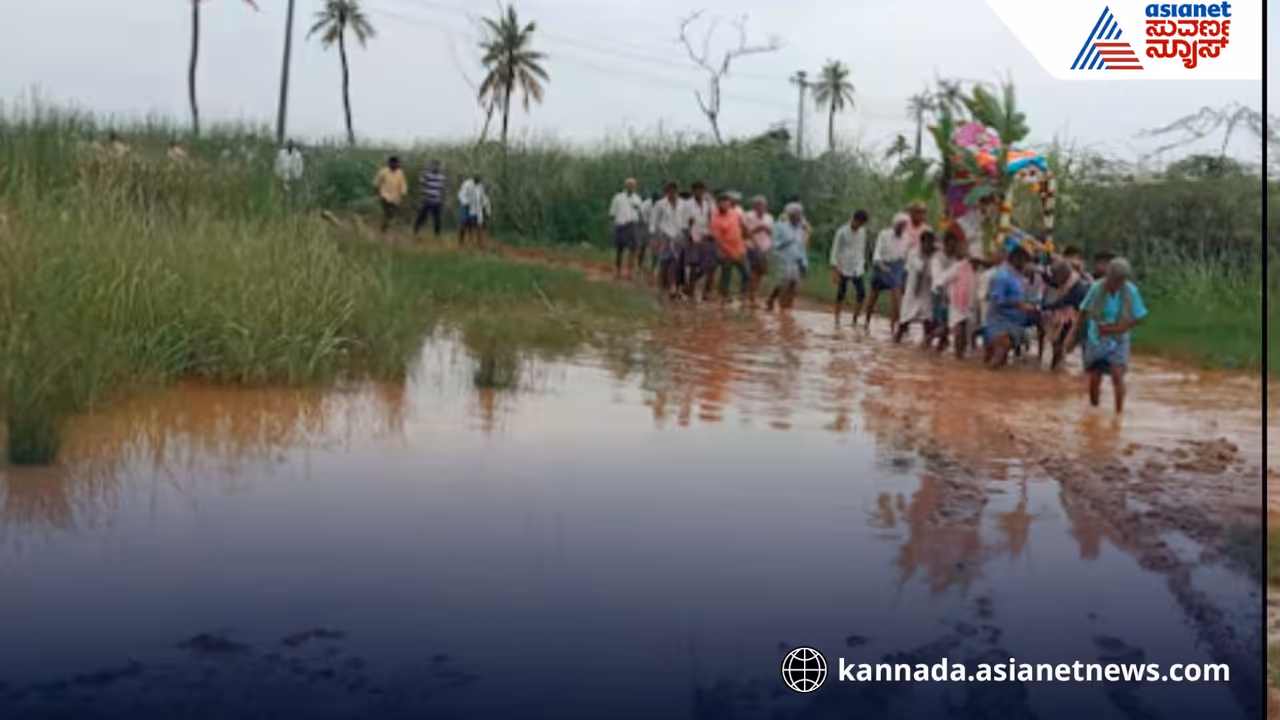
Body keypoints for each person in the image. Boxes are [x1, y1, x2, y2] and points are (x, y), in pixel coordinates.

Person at [1079, 258, 1147, 414]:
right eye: (1114, 280)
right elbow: (1083, 311)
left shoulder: (1130, 291)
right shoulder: (1096, 288)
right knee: (1095, 377)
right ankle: (1094, 409)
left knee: (1117, 375)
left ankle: (1118, 414)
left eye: (1120, 281)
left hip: (1118, 338)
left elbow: (1139, 318)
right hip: (1096, 337)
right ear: (1108, 276)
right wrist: (1072, 337)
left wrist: (1118, 328)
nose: (1116, 284)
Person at [985, 246, 1038, 368]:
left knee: (1003, 359)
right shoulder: (1001, 276)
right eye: (1026, 262)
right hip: (1000, 321)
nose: (1027, 266)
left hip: (1015, 321)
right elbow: (997, 301)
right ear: (1018, 260)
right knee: (1000, 355)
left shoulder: (1018, 276)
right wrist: (1018, 304)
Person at [1042, 258, 1089, 370]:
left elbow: (1064, 302)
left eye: (1055, 275)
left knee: (1068, 344)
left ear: (1062, 274)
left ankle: (1058, 367)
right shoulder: (1065, 282)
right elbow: (1049, 280)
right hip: (1067, 317)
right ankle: (1056, 367)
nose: (1054, 278)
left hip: (1079, 320)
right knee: (1057, 342)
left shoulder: (1078, 288)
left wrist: (1042, 307)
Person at [867, 213, 910, 331]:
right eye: (900, 225)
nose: (901, 228)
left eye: (904, 226)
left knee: (896, 296)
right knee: (873, 297)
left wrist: (906, 270)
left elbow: (906, 256)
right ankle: (867, 321)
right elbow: (877, 252)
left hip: (897, 266)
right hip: (881, 265)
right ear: (895, 224)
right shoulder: (884, 234)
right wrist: (880, 265)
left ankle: (894, 326)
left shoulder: (906, 238)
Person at [896, 231, 939, 345]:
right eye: (928, 243)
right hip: (913, 292)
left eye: (931, 243)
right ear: (922, 243)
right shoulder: (914, 253)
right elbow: (920, 269)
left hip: (926, 292)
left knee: (927, 321)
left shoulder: (935, 255)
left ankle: (926, 346)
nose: (930, 246)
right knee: (904, 322)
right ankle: (896, 342)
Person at [829, 210, 869, 325]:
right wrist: (835, 269)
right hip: (843, 265)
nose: (859, 226)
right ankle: (837, 318)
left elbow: (861, 249)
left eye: (861, 224)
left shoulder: (862, 232)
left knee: (861, 293)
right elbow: (835, 250)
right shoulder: (842, 232)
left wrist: (862, 265)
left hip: (857, 266)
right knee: (841, 292)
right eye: (858, 223)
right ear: (854, 220)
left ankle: (855, 320)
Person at [710, 191, 750, 304]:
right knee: (726, 274)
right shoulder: (715, 218)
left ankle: (743, 295)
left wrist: (747, 238)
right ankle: (723, 296)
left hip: (739, 248)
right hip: (725, 251)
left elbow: (743, 227)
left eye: (726, 202)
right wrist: (728, 252)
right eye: (722, 202)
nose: (725, 204)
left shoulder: (735, 213)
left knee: (746, 272)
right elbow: (718, 240)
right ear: (718, 204)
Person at [767, 203, 808, 312]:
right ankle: (777, 302)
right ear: (790, 215)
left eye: (800, 214)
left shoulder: (800, 230)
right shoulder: (780, 226)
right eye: (797, 214)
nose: (799, 217)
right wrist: (787, 241)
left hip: (796, 260)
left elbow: (801, 247)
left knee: (794, 283)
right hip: (783, 259)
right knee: (783, 283)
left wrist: (804, 262)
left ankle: (788, 306)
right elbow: (774, 243)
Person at [678, 181, 714, 300]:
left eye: (702, 190)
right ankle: (691, 290)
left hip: (704, 235)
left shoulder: (707, 204)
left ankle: (696, 288)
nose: (700, 192)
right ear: (693, 191)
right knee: (693, 263)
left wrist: (709, 232)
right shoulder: (687, 204)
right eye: (697, 190)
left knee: (706, 264)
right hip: (691, 235)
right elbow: (684, 221)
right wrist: (688, 232)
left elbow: (709, 220)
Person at [650, 181, 684, 296]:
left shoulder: (682, 204)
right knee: (664, 261)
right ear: (666, 191)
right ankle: (660, 285)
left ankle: (672, 285)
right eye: (670, 190)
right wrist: (654, 236)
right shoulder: (660, 204)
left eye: (674, 190)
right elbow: (654, 220)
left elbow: (684, 219)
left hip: (677, 235)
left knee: (674, 262)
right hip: (664, 234)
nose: (672, 192)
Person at [609, 178, 644, 280]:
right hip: (621, 224)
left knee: (633, 249)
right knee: (619, 249)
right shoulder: (618, 197)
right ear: (626, 186)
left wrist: (640, 226)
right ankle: (618, 269)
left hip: (632, 224)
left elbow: (641, 213)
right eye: (629, 185)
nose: (631, 187)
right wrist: (612, 226)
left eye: (633, 185)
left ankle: (630, 271)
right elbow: (612, 213)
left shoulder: (637, 199)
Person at [742, 195, 774, 307]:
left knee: (761, 273)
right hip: (752, 247)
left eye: (763, 205)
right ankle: (749, 296)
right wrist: (758, 229)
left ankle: (753, 295)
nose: (761, 208)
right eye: (759, 205)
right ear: (754, 206)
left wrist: (767, 230)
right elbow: (744, 233)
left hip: (765, 248)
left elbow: (772, 234)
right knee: (752, 273)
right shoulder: (748, 216)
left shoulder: (769, 218)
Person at [373, 156, 408, 233]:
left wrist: (403, 193)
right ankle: (383, 229)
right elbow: (376, 183)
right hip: (384, 196)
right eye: (394, 164)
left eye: (397, 164)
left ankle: (384, 227)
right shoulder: (383, 172)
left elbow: (403, 184)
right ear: (390, 164)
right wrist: (378, 194)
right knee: (389, 213)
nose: (396, 165)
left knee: (391, 215)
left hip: (396, 197)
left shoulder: (400, 172)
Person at [414, 160, 447, 238]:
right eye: (434, 166)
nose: (436, 168)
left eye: (437, 166)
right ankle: (416, 230)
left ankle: (437, 235)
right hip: (427, 200)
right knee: (422, 216)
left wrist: (442, 198)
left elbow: (442, 189)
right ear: (431, 167)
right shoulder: (427, 175)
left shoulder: (441, 177)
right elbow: (421, 182)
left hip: (436, 201)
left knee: (437, 219)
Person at [637, 192, 657, 277]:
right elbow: (642, 217)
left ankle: (653, 268)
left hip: (656, 228)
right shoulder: (645, 204)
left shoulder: (660, 205)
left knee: (655, 250)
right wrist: (646, 229)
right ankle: (639, 266)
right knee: (643, 247)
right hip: (645, 226)